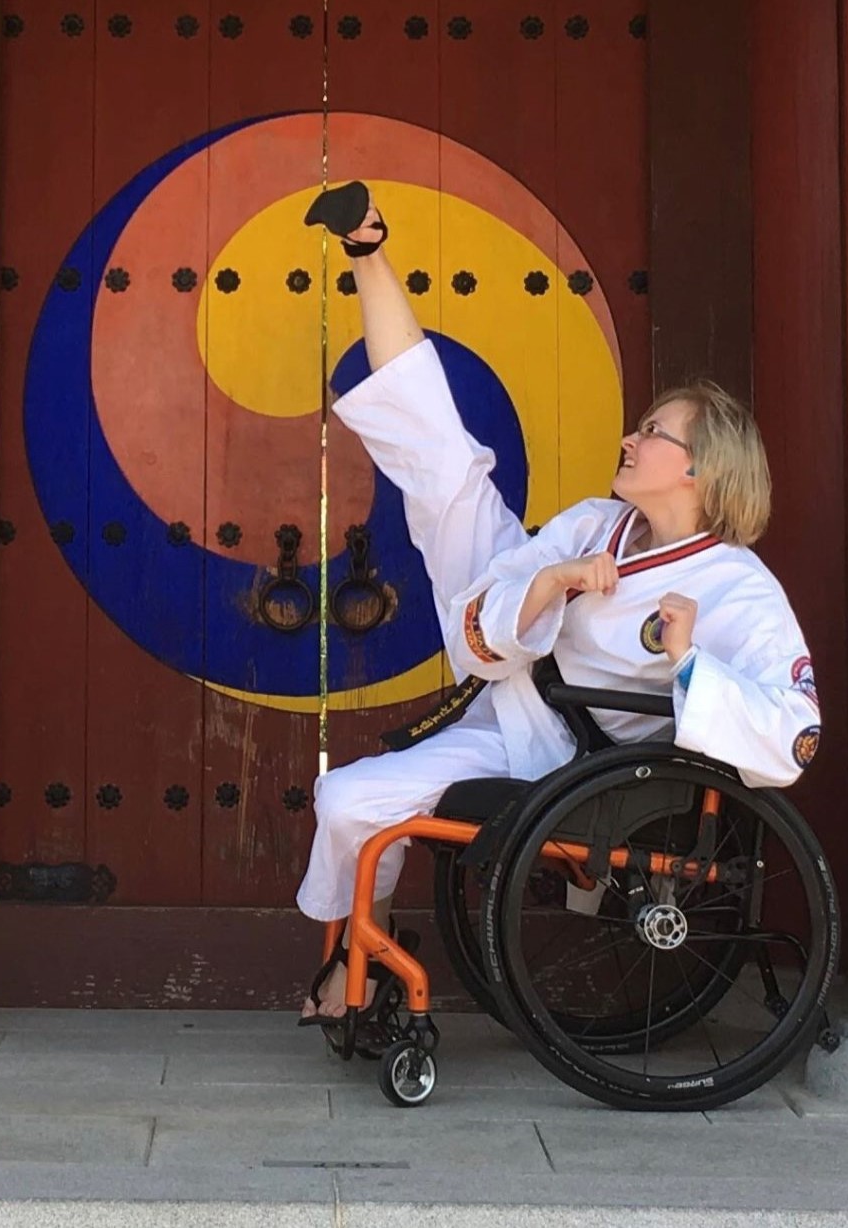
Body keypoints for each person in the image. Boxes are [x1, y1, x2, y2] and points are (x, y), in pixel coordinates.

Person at [297, 182, 821, 1024]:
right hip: (515, 702)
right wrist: (549, 583)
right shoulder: (594, 524)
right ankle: (369, 250)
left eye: (652, 431)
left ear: (701, 470)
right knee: (448, 475)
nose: (629, 437)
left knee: (350, 797)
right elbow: (491, 628)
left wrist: (688, 661)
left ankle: (357, 964)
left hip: (574, 769)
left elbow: (794, 733)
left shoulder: (736, 587)